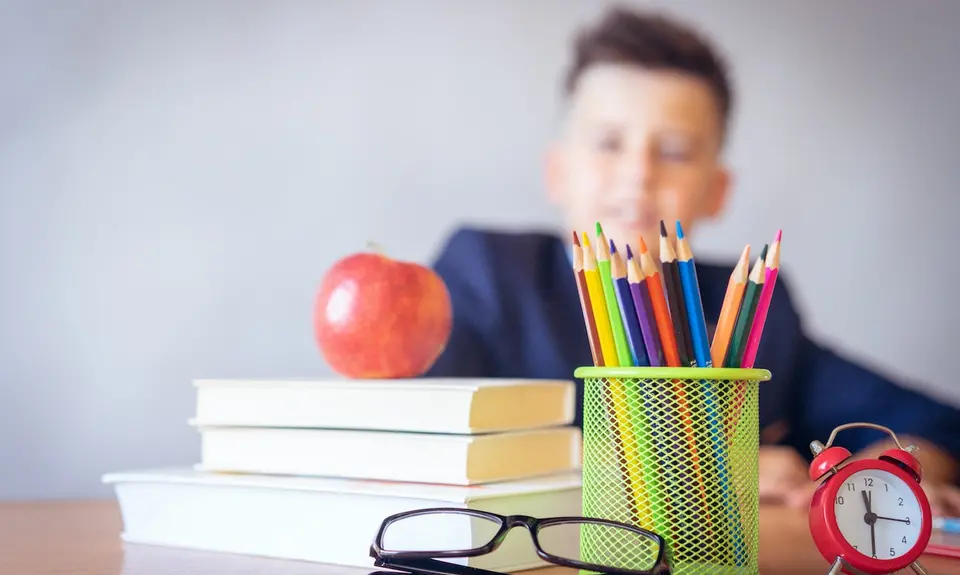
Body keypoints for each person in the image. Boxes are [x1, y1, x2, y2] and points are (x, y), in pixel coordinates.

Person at [423, 5, 960, 515]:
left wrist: (887, 473)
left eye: (675, 151)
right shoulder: (488, 272)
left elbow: (932, 424)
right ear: (557, 172)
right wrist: (705, 472)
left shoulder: (750, 308)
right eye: (609, 142)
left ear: (717, 192)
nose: (639, 173)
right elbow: (421, 437)